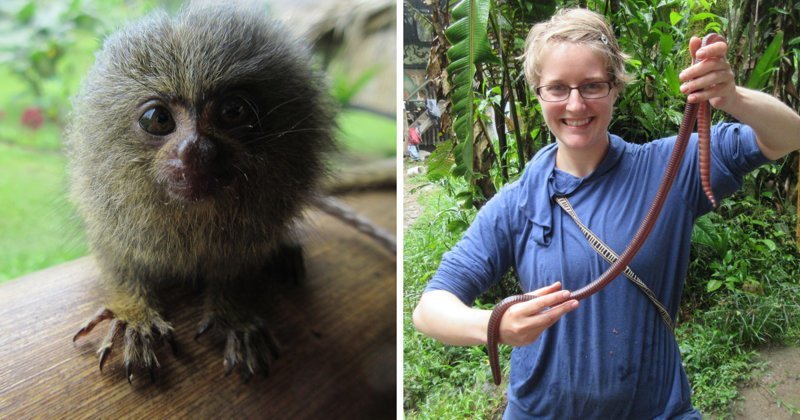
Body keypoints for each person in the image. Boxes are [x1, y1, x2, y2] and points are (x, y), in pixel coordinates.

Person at [412, 8, 800, 419]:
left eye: (592, 85)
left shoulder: (668, 168)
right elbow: (429, 309)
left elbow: (789, 135)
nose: (575, 104)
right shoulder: (518, 201)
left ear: (615, 88)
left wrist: (732, 97)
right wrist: (495, 325)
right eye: (557, 88)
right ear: (538, 93)